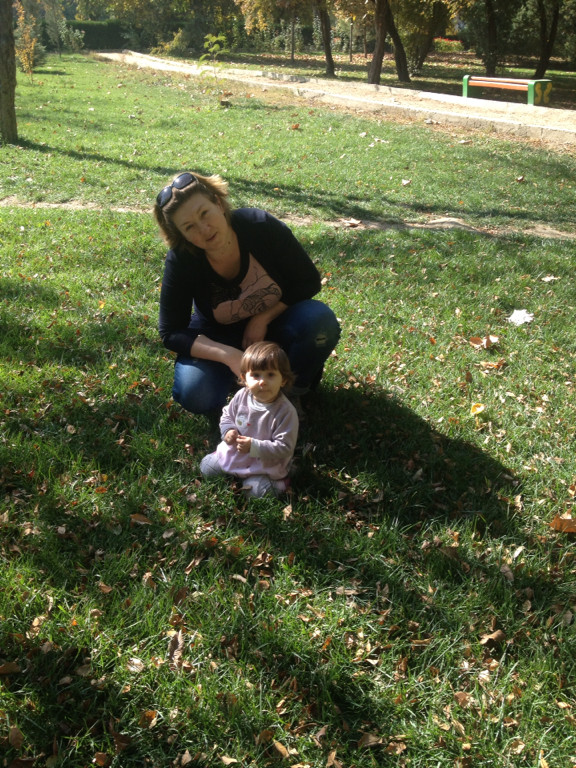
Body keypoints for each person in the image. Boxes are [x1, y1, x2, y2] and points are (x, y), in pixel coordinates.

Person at [153, 171, 340, 414]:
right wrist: (229, 356)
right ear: (182, 235)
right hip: (219, 335)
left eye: (204, 213)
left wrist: (262, 318)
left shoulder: (258, 225)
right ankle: (240, 387)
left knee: (320, 322)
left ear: (218, 203)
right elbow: (171, 332)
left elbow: (308, 280)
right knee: (195, 393)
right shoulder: (182, 259)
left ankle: (289, 393)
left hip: (277, 327)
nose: (204, 229)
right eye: (189, 227)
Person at [200, 341, 298, 498]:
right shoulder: (242, 396)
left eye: (270, 375)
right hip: (236, 453)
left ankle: (280, 482)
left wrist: (254, 446)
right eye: (256, 375)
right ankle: (230, 464)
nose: (262, 381)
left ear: (283, 380)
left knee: (254, 493)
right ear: (244, 378)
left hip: (264, 462)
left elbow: (285, 447)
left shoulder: (285, 412)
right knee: (206, 467)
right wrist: (228, 430)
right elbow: (227, 415)